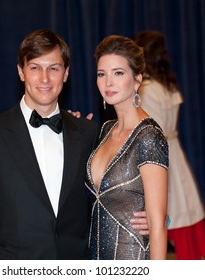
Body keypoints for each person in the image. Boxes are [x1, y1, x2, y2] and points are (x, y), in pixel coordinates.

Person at [0, 29, 148, 260]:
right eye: (35, 68)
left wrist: (153, 217)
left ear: (66, 73)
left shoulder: (89, 132)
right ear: (21, 72)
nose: (45, 79)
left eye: (54, 68)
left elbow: (118, 189)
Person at [85, 35, 169, 260]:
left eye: (118, 73)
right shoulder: (104, 130)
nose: (108, 82)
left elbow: (159, 225)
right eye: (102, 74)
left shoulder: (149, 136)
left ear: (137, 79)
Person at [133, 30, 205, 260]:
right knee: (182, 210)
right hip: (174, 152)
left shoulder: (147, 89)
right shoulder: (168, 85)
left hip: (159, 155)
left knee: (162, 213)